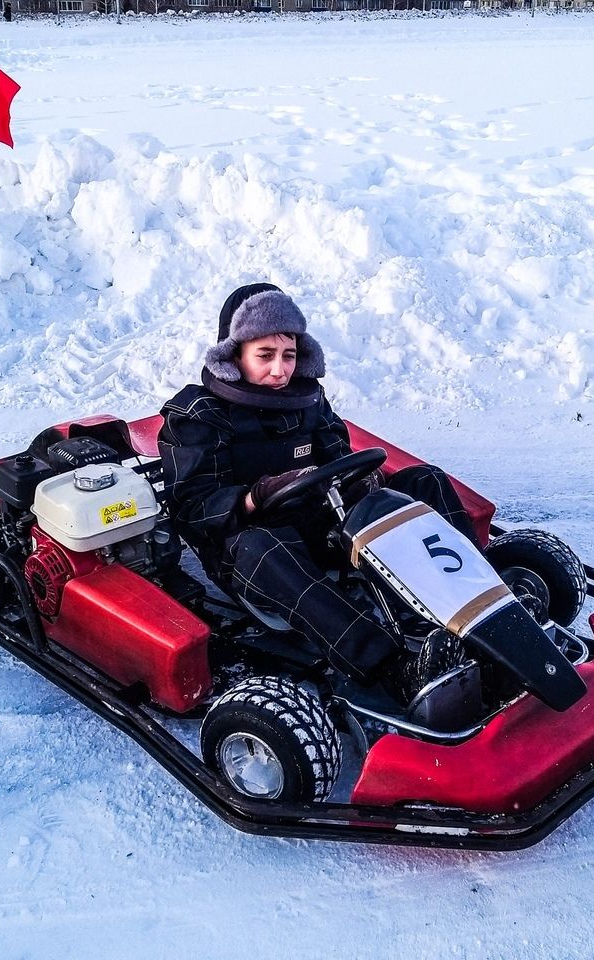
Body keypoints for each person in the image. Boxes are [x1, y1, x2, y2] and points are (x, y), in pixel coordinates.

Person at [158, 282, 477, 702]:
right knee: (263, 547)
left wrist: (362, 481)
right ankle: (393, 667)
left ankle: (482, 600)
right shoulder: (199, 415)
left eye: (288, 355)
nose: (280, 370)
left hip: (323, 519)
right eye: (265, 356)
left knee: (425, 481)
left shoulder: (307, 400)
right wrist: (256, 495)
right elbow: (192, 507)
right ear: (234, 354)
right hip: (254, 550)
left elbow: (339, 456)